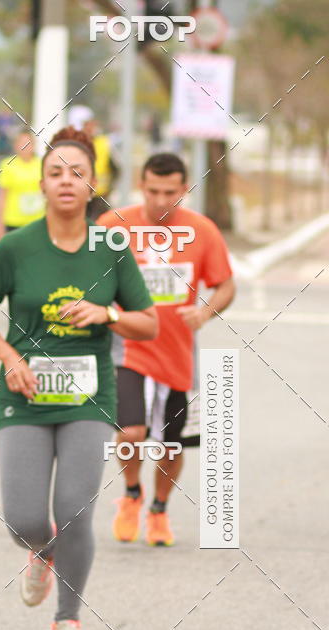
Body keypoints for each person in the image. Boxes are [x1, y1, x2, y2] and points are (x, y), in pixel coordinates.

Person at [0, 127, 157, 630]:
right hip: (23, 395)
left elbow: (149, 323)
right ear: (42, 184)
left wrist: (108, 313)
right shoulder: (16, 247)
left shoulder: (111, 248)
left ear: (93, 183)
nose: (66, 181)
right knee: (25, 519)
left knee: (75, 510)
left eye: (77, 172)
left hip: (87, 398)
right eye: (55, 173)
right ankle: (41, 552)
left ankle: (67, 621)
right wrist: (10, 357)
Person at [97, 152, 235, 546]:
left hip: (176, 354)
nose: (160, 201)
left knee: (171, 443)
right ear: (141, 185)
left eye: (170, 193)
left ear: (185, 190)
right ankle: (131, 494)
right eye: (153, 191)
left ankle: (158, 509)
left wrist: (205, 312)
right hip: (126, 349)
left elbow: (226, 285)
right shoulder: (113, 226)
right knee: (131, 433)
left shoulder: (202, 230)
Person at [0, 130, 44, 238]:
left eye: (28, 143)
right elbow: (2, 196)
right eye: (21, 143)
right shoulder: (7, 164)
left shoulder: (42, 164)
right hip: (13, 222)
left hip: (37, 222)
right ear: (15, 145)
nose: (25, 147)